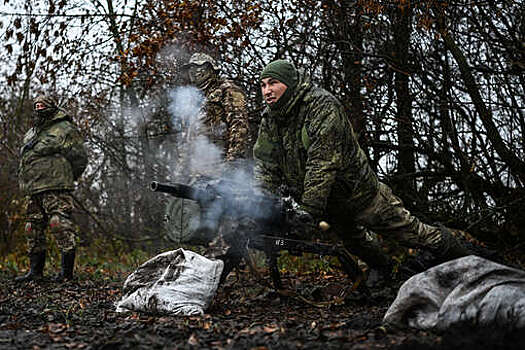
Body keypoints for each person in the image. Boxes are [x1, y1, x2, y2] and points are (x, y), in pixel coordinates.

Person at [253, 59, 473, 285]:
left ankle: (473, 262)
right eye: (262, 85)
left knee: (412, 233)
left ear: (289, 83)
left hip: (360, 194)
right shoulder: (271, 119)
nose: (267, 91)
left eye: (273, 83)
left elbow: (323, 162)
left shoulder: (321, 106)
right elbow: (266, 164)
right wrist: (260, 203)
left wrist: (308, 210)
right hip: (330, 202)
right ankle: (385, 271)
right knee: (356, 242)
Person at [165, 52, 251, 260]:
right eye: (191, 68)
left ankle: (226, 267)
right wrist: (180, 171)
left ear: (211, 69)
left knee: (225, 222)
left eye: (198, 67)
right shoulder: (194, 99)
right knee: (201, 224)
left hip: (221, 168)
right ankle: (215, 266)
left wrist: (232, 163)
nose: (194, 72)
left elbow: (239, 127)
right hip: (200, 170)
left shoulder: (227, 91)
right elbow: (189, 140)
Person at [16, 95, 88, 282]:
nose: (39, 107)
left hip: (56, 186)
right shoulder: (32, 132)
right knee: (32, 228)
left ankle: (66, 273)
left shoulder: (64, 128)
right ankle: (35, 272)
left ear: (52, 106)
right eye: (36, 105)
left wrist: (67, 177)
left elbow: (80, 157)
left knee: (60, 225)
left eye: (43, 104)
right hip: (33, 188)